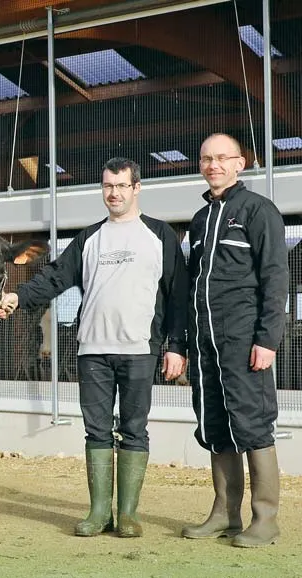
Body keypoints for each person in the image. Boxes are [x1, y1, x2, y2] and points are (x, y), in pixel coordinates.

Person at [0, 157, 187, 538]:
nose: (113, 193)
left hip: (140, 348)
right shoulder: (88, 239)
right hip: (92, 351)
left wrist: (175, 346)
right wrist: (19, 296)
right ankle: (99, 512)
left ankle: (128, 515)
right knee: (96, 431)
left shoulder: (160, 235)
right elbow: (54, 277)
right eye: (107, 186)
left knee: (134, 430)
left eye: (121, 186)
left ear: (136, 188)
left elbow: (178, 294)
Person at [181, 133, 289, 548]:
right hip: (205, 342)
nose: (213, 165)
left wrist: (268, 339)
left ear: (240, 163)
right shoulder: (199, 220)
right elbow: (195, 284)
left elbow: (276, 280)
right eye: (206, 158)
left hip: (245, 341)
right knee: (213, 424)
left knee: (252, 422)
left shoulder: (259, 211)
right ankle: (225, 513)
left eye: (222, 158)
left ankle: (265, 519)